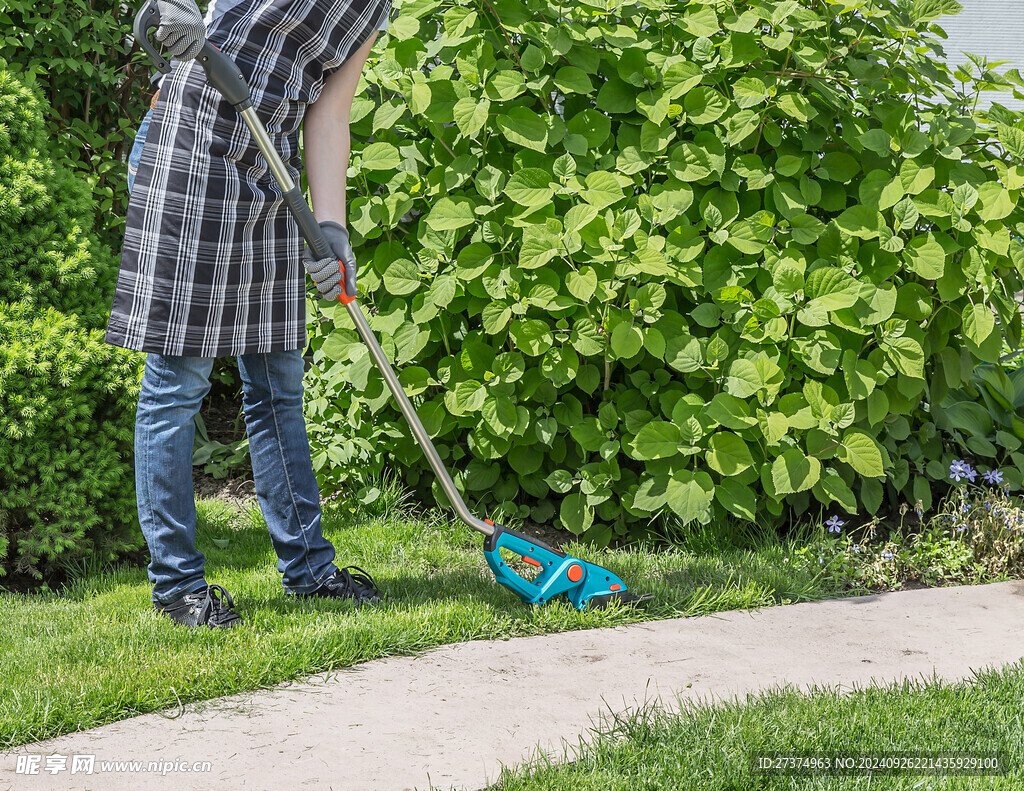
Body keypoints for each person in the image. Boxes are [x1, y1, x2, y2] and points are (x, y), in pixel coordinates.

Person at [107, 0, 392, 628]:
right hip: (188, 145)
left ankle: (311, 571)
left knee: (277, 383)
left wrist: (332, 226)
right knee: (178, 384)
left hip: (272, 168)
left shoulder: (375, 7)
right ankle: (177, 585)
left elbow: (331, 111)